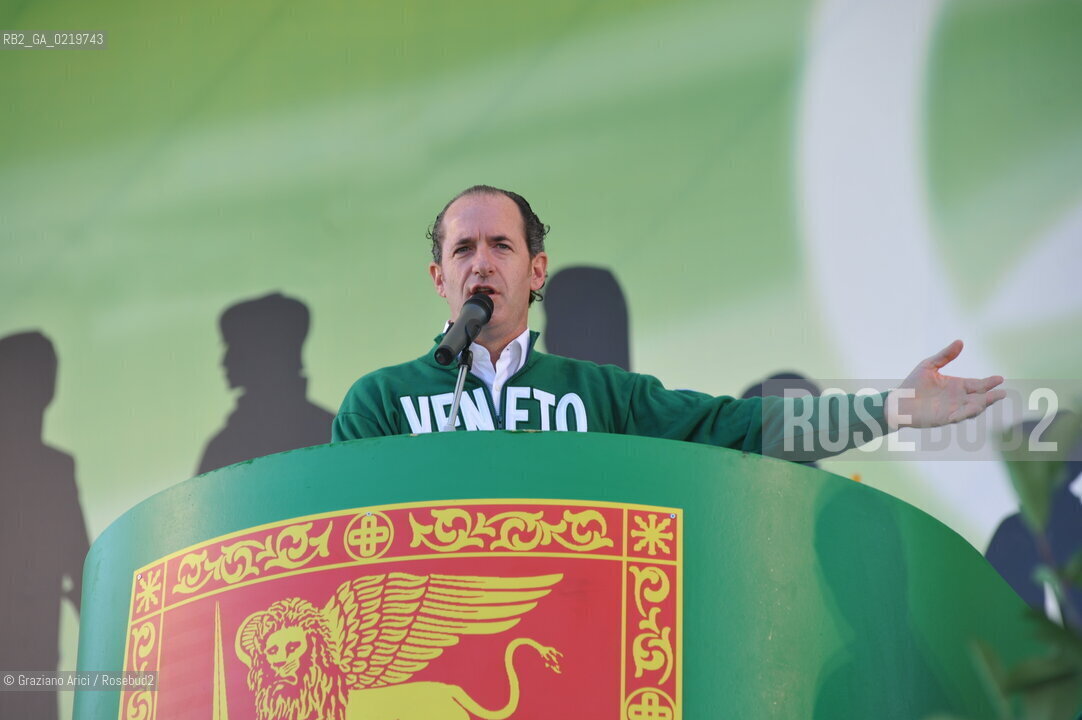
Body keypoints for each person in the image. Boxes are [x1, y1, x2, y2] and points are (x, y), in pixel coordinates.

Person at [332, 185, 1005, 457]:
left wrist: (890, 408)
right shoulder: (380, 404)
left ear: (537, 272)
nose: (481, 264)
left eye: (501, 246)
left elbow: (737, 427)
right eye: (463, 250)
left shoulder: (603, 395)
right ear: (439, 279)